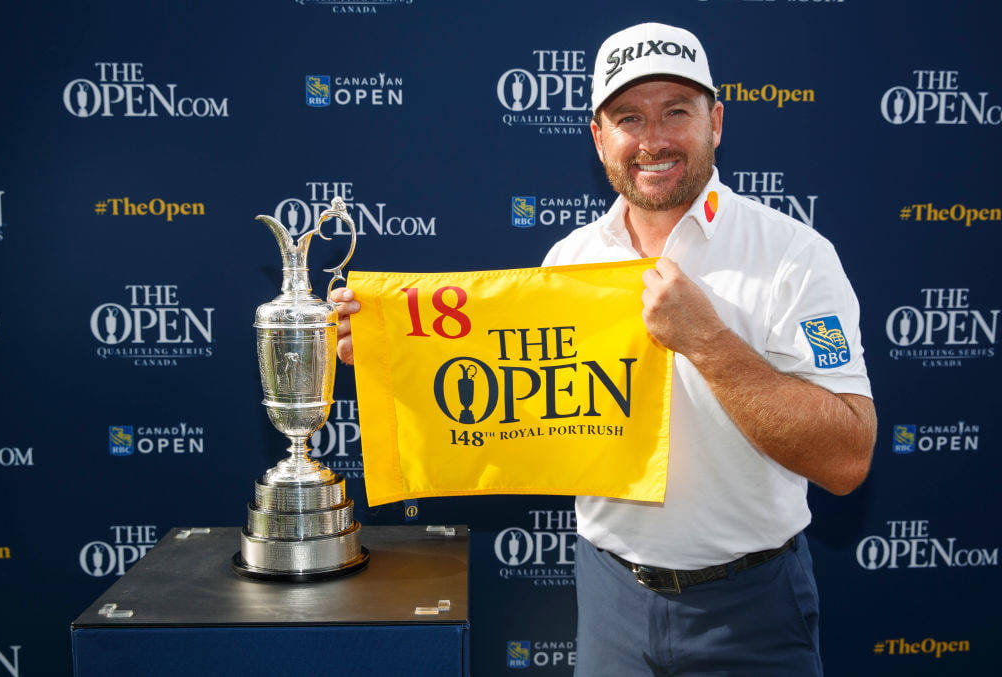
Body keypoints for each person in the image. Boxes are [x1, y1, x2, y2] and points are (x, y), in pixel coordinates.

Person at [334, 22, 875, 676]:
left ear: (716, 122)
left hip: (752, 607)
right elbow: (518, 413)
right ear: (599, 138)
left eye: (677, 111)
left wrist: (706, 340)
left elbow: (847, 455)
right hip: (610, 596)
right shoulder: (569, 260)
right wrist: (398, 357)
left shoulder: (795, 257)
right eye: (628, 118)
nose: (653, 140)